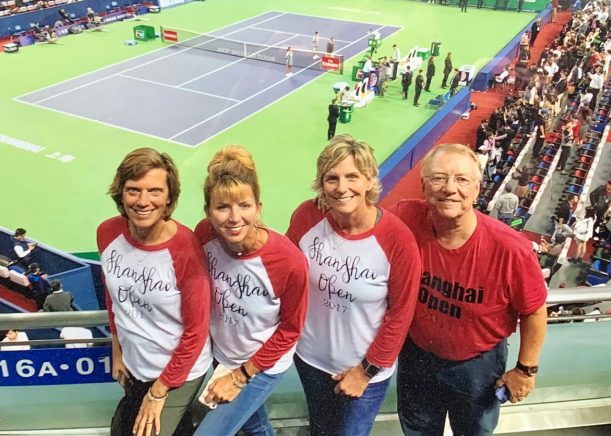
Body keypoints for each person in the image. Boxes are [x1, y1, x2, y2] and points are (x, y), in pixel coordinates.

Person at [391, 144, 547, 435]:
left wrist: (526, 370)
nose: (450, 188)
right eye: (439, 178)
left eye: (462, 180)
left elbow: (535, 311)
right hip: (417, 356)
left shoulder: (511, 250)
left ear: (477, 190)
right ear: (423, 186)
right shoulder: (406, 216)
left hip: (478, 367)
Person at [286, 135, 421, 436]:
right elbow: (285, 274)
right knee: (320, 430)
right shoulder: (307, 216)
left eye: (352, 177)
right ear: (321, 184)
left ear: (370, 179)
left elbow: (400, 315)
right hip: (309, 361)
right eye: (331, 179)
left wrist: (366, 371)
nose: (342, 187)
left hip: (364, 373)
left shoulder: (397, 240)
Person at [194, 145, 308, 435]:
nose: (234, 218)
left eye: (244, 206)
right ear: (208, 212)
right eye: (222, 207)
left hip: (262, 364)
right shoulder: (204, 235)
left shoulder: (288, 261)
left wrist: (240, 376)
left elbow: (290, 331)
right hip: (223, 354)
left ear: (259, 207)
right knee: (254, 426)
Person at [97, 148, 211, 436]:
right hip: (135, 365)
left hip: (178, 373)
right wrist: (117, 350)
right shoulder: (108, 233)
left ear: (169, 197)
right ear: (120, 194)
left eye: (155, 191)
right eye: (133, 190)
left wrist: (159, 392)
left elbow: (196, 332)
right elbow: (114, 295)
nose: (143, 201)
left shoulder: (186, 250)